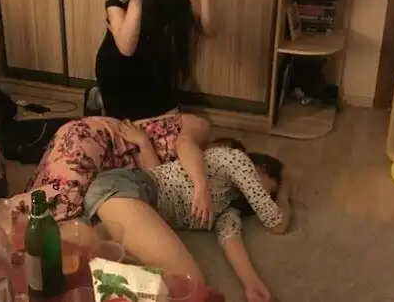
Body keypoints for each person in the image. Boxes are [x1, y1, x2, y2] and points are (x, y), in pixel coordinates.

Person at [81, 128, 292, 302]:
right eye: (268, 190)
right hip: (124, 187)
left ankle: (86, 279)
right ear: (260, 167)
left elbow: (231, 238)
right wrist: (284, 191)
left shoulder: (228, 209)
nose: (264, 197)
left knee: (179, 287)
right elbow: (277, 223)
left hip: (133, 207)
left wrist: (252, 283)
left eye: (270, 195)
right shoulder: (235, 159)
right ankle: (84, 284)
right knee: (190, 287)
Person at [93, 0, 230, 225]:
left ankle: (106, 106)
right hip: (119, 69)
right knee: (129, 135)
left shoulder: (173, 1)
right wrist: (136, 2)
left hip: (152, 72)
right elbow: (126, 47)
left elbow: (208, 29)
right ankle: (101, 101)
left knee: (169, 140)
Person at [9, 114, 239, 223]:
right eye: (224, 154)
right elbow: (186, 144)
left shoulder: (189, 169)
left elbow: (157, 178)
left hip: (104, 164)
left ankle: (11, 216)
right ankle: (1, 214)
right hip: (99, 138)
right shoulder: (200, 127)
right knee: (67, 199)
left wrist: (145, 145)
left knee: (65, 211)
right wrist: (201, 186)